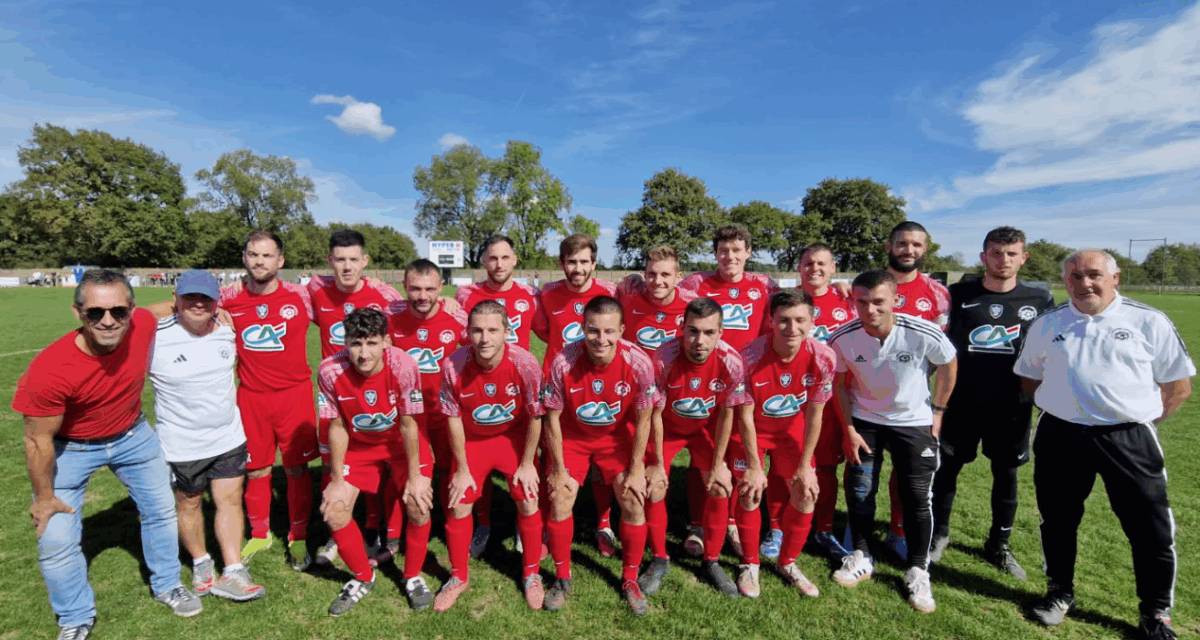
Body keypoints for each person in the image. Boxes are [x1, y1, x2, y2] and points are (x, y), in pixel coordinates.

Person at [1016, 250, 1194, 639]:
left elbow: (1179, 386)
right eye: (1075, 277)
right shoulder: (1047, 323)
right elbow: (1029, 379)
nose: (1085, 284)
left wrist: (1141, 420)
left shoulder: (1148, 320)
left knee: (1150, 527)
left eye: (1094, 275)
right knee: (1058, 520)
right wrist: (1067, 404)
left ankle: (1155, 613)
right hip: (1061, 434)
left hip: (1128, 437)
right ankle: (1059, 592)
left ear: (1115, 278)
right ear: (1065, 282)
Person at [14, 269, 201, 640]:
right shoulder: (50, 370)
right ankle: (75, 617)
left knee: (161, 510)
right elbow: (37, 440)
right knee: (55, 539)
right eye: (95, 312)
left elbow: (164, 308)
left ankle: (168, 585)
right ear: (77, 313)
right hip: (71, 448)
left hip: (133, 436)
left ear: (131, 310)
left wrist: (210, 309)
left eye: (118, 311)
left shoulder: (141, 324)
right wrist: (45, 497)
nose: (108, 321)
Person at [828, 269, 957, 613]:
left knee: (916, 496)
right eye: (862, 302)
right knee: (860, 490)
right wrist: (848, 429)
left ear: (896, 300)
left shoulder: (922, 331)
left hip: (913, 423)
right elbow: (839, 386)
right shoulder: (843, 337)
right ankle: (861, 555)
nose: (870, 309)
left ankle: (918, 569)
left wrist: (938, 411)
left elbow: (948, 363)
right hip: (865, 421)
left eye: (878, 302)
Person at [928, 227, 1054, 578]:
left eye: (1011, 253)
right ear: (984, 257)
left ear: (1023, 258)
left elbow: (1053, 349)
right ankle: (939, 535)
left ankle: (999, 544)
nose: (1004, 260)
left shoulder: (1039, 299)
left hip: (1013, 406)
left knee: (1006, 474)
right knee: (947, 470)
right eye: (996, 253)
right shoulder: (958, 294)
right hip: (961, 402)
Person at [149, 270, 265, 602]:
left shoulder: (227, 329)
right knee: (189, 503)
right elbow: (128, 313)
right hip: (181, 444)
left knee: (230, 500)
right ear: (175, 297)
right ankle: (201, 562)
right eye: (190, 297)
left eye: (206, 298)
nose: (198, 304)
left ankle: (234, 569)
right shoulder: (153, 335)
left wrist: (217, 311)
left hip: (228, 438)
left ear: (216, 301)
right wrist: (170, 308)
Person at [541, 296, 657, 615]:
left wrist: (636, 469)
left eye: (609, 331)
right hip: (573, 437)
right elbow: (551, 418)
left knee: (633, 499)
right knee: (560, 497)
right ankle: (562, 578)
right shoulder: (563, 361)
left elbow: (644, 419)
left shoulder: (638, 362)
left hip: (615, 438)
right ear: (583, 328)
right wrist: (559, 469)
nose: (600, 339)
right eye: (593, 331)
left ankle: (630, 579)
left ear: (621, 330)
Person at [316, 308, 432, 616]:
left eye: (371, 343)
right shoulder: (329, 370)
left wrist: (416, 477)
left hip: (400, 444)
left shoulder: (404, 365)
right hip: (359, 446)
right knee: (334, 511)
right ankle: (363, 578)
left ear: (386, 342)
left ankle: (412, 576)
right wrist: (336, 480)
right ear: (345, 342)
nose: (363, 353)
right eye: (355, 343)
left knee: (418, 504)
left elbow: (409, 424)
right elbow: (337, 426)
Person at [433, 301, 547, 611]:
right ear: (468, 332)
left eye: (493, 330)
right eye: (478, 331)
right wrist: (461, 468)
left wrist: (527, 464)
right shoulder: (453, 364)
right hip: (473, 441)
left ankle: (531, 574)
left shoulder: (525, 363)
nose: (485, 339)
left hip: (513, 439)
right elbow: (453, 419)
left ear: (507, 332)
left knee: (528, 498)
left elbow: (535, 416)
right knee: (458, 502)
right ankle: (458, 577)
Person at [218, 231, 318, 570]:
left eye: (267, 255)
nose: (259, 261)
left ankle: (298, 535)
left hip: (295, 396)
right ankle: (260, 534)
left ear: (280, 260)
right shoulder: (227, 299)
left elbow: (345, 298)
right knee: (257, 468)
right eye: (253, 254)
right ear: (244, 257)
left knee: (296, 468)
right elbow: (184, 306)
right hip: (251, 397)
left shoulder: (302, 296)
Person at [723, 291, 834, 598]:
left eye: (800, 320)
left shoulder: (823, 357)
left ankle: (788, 563)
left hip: (792, 432)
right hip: (753, 431)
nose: (792, 328)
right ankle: (749, 563)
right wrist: (754, 466)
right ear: (771, 320)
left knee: (806, 493)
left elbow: (815, 415)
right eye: (784, 320)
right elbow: (744, 415)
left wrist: (806, 466)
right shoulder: (748, 357)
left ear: (812, 322)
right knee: (749, 491)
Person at [307, 229, 405, 567]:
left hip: (372, 394)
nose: (347, 267)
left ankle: (375, 528)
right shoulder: (315, 289)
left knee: (379, 462)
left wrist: (449, 301)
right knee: (331, 464)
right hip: (335, 397)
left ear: (364, 261)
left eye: (353, 259)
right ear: (330, 261)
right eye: (339, 260)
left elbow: (415, 308)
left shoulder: (385, 294)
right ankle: (335, 533)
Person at [639, 297, 745, 599]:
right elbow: (654, 414)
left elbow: (726, 415)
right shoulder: (663, 358)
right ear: (682, 328)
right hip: (668, 429)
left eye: (709, 332)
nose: (700, 340)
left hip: (705, 430)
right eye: (693, 331)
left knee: (720, 485)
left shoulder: (731, 362)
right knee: (655, 486)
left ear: (720, 332)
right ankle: (659, 557)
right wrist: (656, 462)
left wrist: (718, 463)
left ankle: (711, 560)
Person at [869, 220, 953, 561]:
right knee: (864, 469)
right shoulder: (869, 284)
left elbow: (941, 353)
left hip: (911, 402)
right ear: (889, 246)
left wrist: (918, 388)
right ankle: (858, 529)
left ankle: (898, 530)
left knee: (906, 472)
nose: (909, 250)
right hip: (866, 398)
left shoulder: (937, 293)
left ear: (925, 249)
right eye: (902, 243)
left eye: (916, 244)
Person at [454, 234, 542, 555]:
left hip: (518, 390)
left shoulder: (531, 295)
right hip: (478, 386)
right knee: (479, 465)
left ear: (515, 260)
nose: (499, 264)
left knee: (526, 467)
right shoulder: (465, 294)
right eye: (492, 257)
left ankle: (524, 525)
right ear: (483, 261)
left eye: (505, 257)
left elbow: (547, 329)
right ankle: (483, 524)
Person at [532, 234, 620, 557]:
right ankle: (546, 523)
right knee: (551, 454)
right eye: (572, 262)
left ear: (594, 264)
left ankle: (604, 523)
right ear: (561, 263)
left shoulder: (610, 292)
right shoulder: (547, 293)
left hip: (598, 385)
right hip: (559, 387)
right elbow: (544, 331)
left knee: (601, 458)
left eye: (584, 262)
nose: (578, 268)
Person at [387, 260, 468, 583]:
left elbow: (478, 350)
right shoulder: (390, 316)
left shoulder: (455, 317)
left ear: (441, 288)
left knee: (449, 469)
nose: (423, 295)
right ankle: (396, 532)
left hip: (445, 412)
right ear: (405, 286)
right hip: (407, 416)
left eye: (430, 289)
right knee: (409, 473)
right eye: (416, 288)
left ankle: (451, 526)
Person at [795, 243, 858, 561]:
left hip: (833, 399)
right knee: (788, 464)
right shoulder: (786, 300)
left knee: (827, 467)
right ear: (799, 268)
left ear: (833, 268)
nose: (815, 269)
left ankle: (824, 528)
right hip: (793, 397)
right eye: (808, 263)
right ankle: (783, 526)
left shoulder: (849, 301)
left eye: (822, 263)